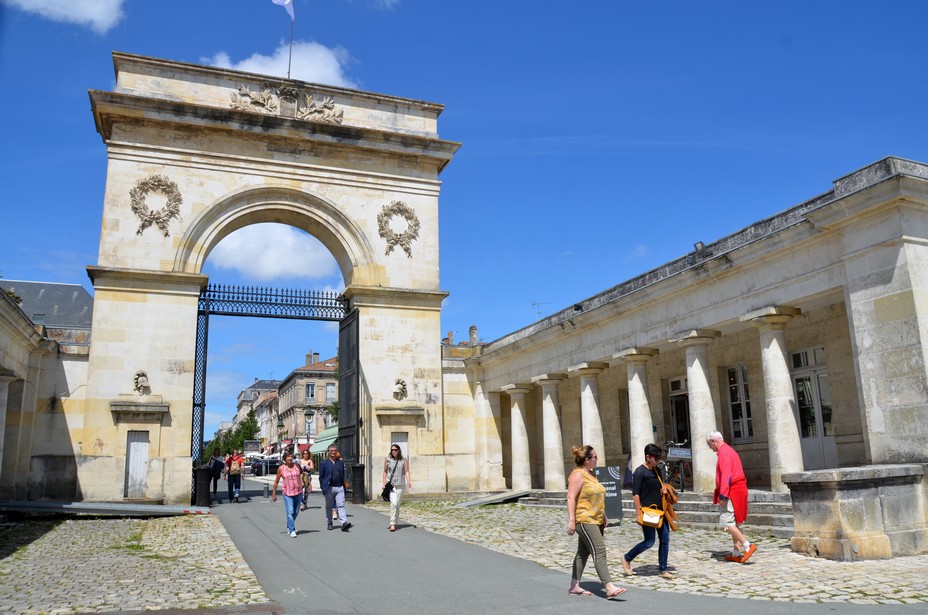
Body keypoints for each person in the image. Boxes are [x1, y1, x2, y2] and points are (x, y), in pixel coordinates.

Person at [565, 444, 627, 600]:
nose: (597, 459)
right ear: (587, 460)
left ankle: (574, 586)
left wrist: (604, 515)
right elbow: (571, 497)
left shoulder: (592, 474)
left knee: (582, 553)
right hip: (585, 520)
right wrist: (572, 520)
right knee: (599, 550)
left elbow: (596, 497)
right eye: (595, 457)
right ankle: (609, 587)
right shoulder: (577, 475)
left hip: (596, 519)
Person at [623, 443, 675, 579]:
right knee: (649, 541)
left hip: (661, 510)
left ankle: (663, 570)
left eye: (659, 458)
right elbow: (635, 494)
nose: (658, 461)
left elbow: (658, 485)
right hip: (648, 511)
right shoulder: (639, 472)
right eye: (656, 458)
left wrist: (663, 489)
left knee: (665, 540)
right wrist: (638, 513)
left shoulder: (657, 470)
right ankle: (627, 558)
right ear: (648, 457)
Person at [707, 431, 756, 563]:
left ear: (714, 441)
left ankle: (747, 545)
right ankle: (736, 552)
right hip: (738, 489)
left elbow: (726, 476)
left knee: (727, 523)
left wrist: (723, 494)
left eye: (709, 444)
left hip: (731, 491)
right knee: (734, 523)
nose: (709, 447)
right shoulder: (730, 451)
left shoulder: (723, 453)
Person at [319, 444, 351, 532]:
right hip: (329, 488)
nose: (333, 452)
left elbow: (343, 475)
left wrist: (344, 486)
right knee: (329, 506)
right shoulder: (324, 463)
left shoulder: (340, 463)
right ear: (328, 452)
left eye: (335, 450)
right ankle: (329, 522)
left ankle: (344, 523)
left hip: (339, 487)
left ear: (337, 452)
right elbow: (321, 477)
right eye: (331, 450)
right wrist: (323, 487)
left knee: (341, 505)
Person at [271, 452, 304, 537]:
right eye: (288, 457)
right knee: (290, 511)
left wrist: (308, 483)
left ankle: (289, 525)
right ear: (284, 459)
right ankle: (292, 530)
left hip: (298, 492)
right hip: (287, 493)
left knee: (296, 511)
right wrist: (274, 493)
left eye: (291, 456)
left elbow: (303, 474)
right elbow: (276, 482)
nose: (290, 458)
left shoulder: (297, 466)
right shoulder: (281, 469)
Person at [381, 443, 412, 532]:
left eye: (395, 450)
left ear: (398, 451)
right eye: (392, 450)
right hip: (391, 485)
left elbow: (406, 471)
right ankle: (392, 524)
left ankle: (395, 522)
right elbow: (384, 472)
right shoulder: (388, 460)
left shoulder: (403, 460)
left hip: (401, 484)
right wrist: (383, 483)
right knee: (394, 503)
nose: (393, 451)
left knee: (397, 504)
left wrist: (409, 481)